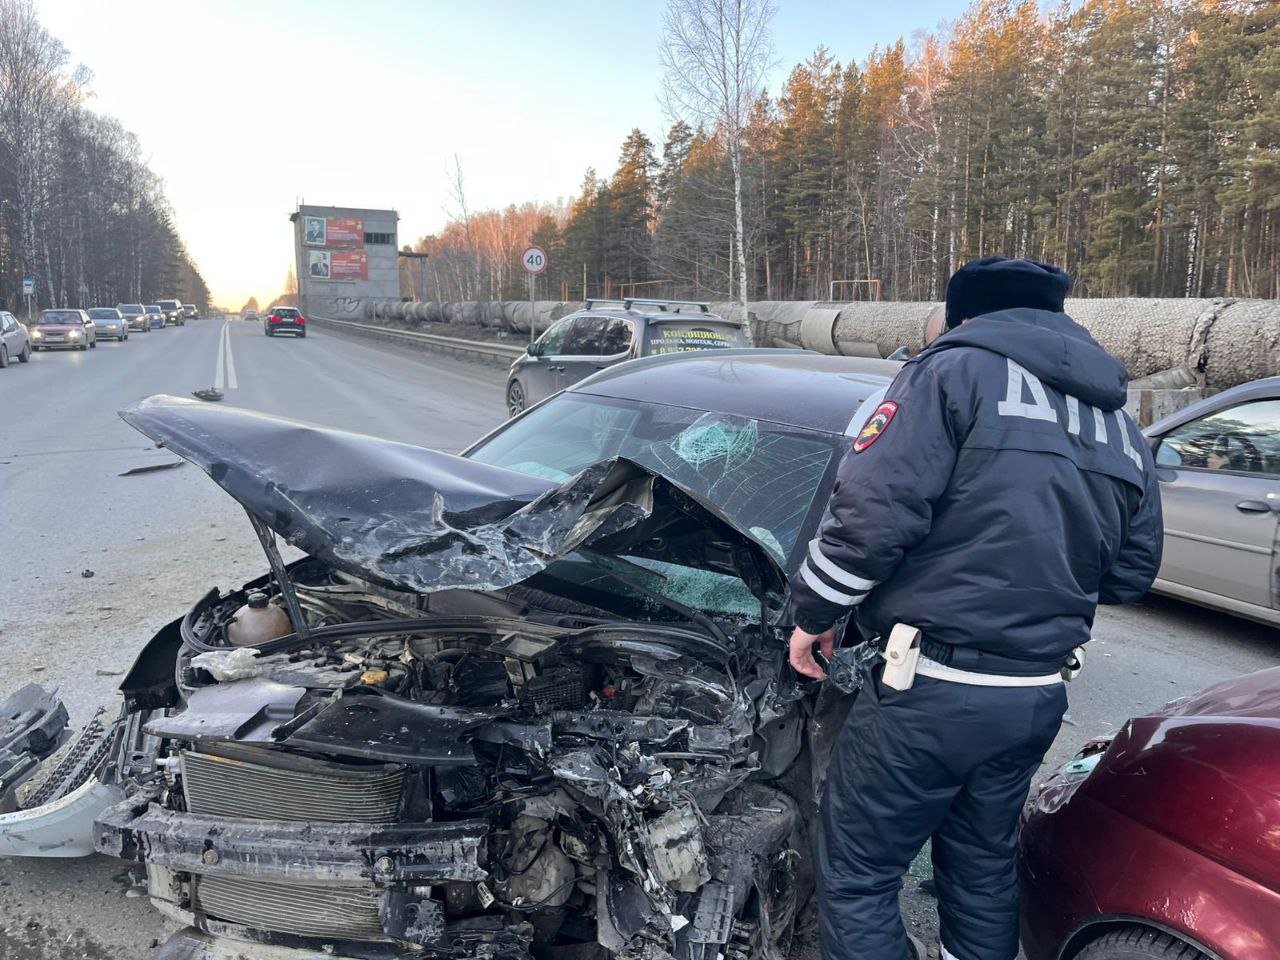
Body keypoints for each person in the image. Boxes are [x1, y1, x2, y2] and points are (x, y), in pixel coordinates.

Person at [788, 256, 1163, 960]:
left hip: (928, 690)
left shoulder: (948, 373)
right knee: (982, 868)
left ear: (963, 316)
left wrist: (814, 616)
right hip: (1034, 694)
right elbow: (1130, 575)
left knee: (860, 873)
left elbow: (871, 516)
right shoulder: (1120, 423)